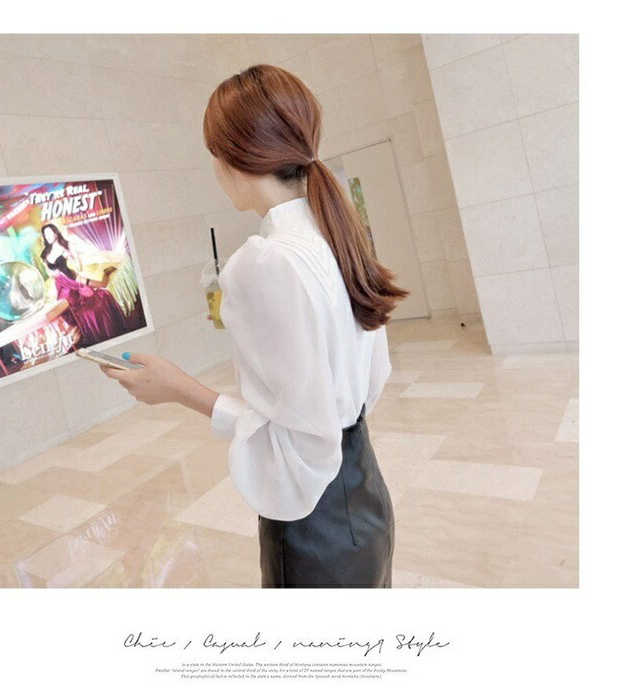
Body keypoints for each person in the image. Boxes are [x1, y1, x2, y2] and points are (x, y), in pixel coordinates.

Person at [100, 64, 409, 588]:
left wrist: (177, 387)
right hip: (367, 497)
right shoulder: (337, 236)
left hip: (316, 529)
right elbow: (366, 385)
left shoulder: (263, 262)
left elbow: (300, 441)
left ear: (233, 158)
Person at [39, 223, 128, 346]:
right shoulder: (45, 253)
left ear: (55, 233)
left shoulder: (67, 246)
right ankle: (79, 334)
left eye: (50, 233)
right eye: (45, 234)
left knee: (103, 285)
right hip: (61, 285)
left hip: (74, 279)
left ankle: (106, 273)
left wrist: (70, 257)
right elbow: (49, 272)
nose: (48, 236)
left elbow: (79, 267)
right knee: (66, 308)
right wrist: (54, 273)